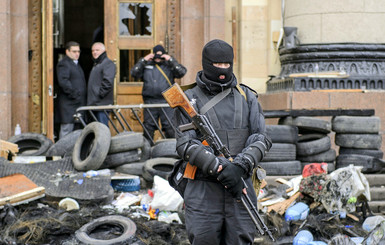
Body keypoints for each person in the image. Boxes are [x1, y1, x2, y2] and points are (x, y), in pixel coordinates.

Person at [173, 39, 272, 244]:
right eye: (218, 64)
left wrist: (240, 166)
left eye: (227, 64)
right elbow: (185, 144)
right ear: (206, 63)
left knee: (241, 239)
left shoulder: (247, 97)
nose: (223, 69)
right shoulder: (188, 98)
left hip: (240, 185)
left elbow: (261, 138)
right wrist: (219, 167)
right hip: (202, 188)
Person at [131, 44, 187, 141]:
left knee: (170, 127)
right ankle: (147, 152)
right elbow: (134, 73)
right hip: (150, 101)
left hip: (166, 102)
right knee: (148, 128)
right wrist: (143, 60)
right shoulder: (147, 65)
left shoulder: (169, 66)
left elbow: (181, 72)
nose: (158, 58)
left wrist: (170, 60)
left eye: (160, 56)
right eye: (156, 56)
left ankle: (172, 150)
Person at [56, 41, 87, 139]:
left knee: (76, 132)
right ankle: (63, 153)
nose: (77, 54)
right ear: (67, 52)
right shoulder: (64, 64)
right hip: (68, 105)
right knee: (67, 130)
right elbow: (64, 82)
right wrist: (75, 95)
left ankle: (72, 154)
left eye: (78, 51)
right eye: (74, 51)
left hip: (77, 104)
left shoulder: (76, 64)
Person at [87, 42, 116, 127]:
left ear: (103, 51)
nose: (94, 52)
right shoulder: (97, 64)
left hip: (101, 104)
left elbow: (107, 82)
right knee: (96, 129)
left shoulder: (108, 63)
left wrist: (99, 95)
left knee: (102, 129)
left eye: (97, 50)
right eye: (93, 50)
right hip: (95, 104)